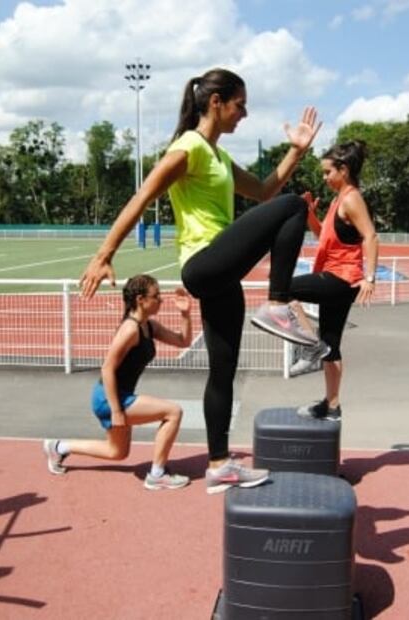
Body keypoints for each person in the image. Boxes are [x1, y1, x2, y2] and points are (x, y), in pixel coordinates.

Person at [79, 68, 322, 494]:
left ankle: (219, 464)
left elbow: (263, 191)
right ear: (216, 102)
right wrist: (104, 255)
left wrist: (296, 152)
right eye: (239, 104)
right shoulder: (188, 148)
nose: (243, 114)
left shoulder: (219, 157)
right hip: (203, 262)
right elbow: (141, 198)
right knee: (292, 207)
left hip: (219, 276)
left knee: (222, 371)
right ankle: (280, 303)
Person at [43, 274, 192, 491]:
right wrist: (116, 411)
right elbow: (107, 368)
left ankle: (58, 447)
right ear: (141, 299)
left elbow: (182, 341)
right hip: (109, 398)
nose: (161, 300)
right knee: (173, 412)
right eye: (156, 296)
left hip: (118, 396)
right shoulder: (130, 329)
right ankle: (157, 474)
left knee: (117, 452)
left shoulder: (148, 326)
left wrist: (185, 314)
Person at [291, 140, 378, 423]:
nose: (325, 178)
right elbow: (324, 238)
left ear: (344, 169)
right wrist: (311, 216)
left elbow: (371, 236)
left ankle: (309, 344)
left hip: (342, 278)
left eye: (328, 172)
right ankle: (332, 405)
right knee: (332, 345)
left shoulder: (351, 198)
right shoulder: (338, 200)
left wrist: (370, 277)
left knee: (283, 288)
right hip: (338, 276)